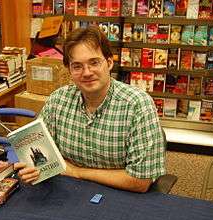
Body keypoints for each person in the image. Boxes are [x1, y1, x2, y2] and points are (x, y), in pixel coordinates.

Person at [14, 26, 165, 193]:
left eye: (94, 62)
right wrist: (32, 167)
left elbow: (140, 180)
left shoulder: (137, 105)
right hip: (68, 192)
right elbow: (40, 151)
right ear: (69, 70)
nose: (86, 72)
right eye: (77, 66)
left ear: (109, 63)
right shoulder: (58, 100)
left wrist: (77, 172)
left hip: (120, 196)